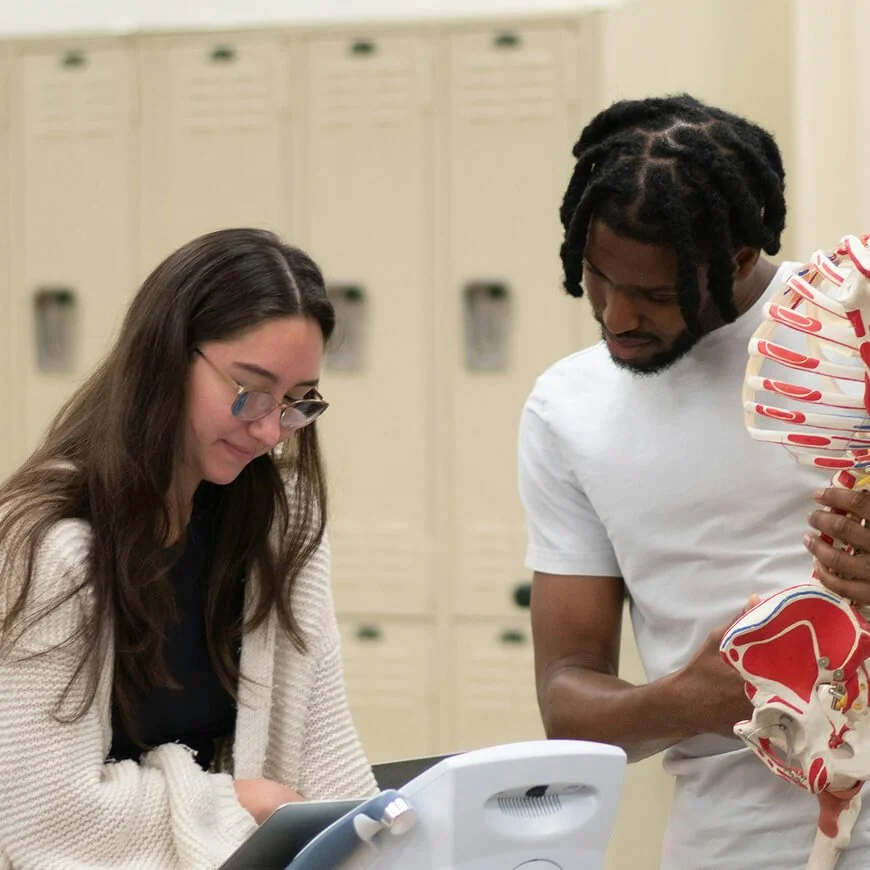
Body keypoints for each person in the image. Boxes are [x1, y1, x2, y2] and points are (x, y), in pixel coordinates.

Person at [517, 94, 870, 869]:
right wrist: (683, 700)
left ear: (739, 259)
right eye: (597, 279)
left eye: (655, 294)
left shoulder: (853, 330)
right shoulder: (567, 410)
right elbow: (567, 697)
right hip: (731, 842)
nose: (615, 317)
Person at [0, 228, 377, 868]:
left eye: (295, 403)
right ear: (167, 357)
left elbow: (325, 752)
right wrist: (239, 803)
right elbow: (42, 819)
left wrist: (386, 838)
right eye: (249, 388)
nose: (269, 429)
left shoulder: (281, 522)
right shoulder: (52, 547)